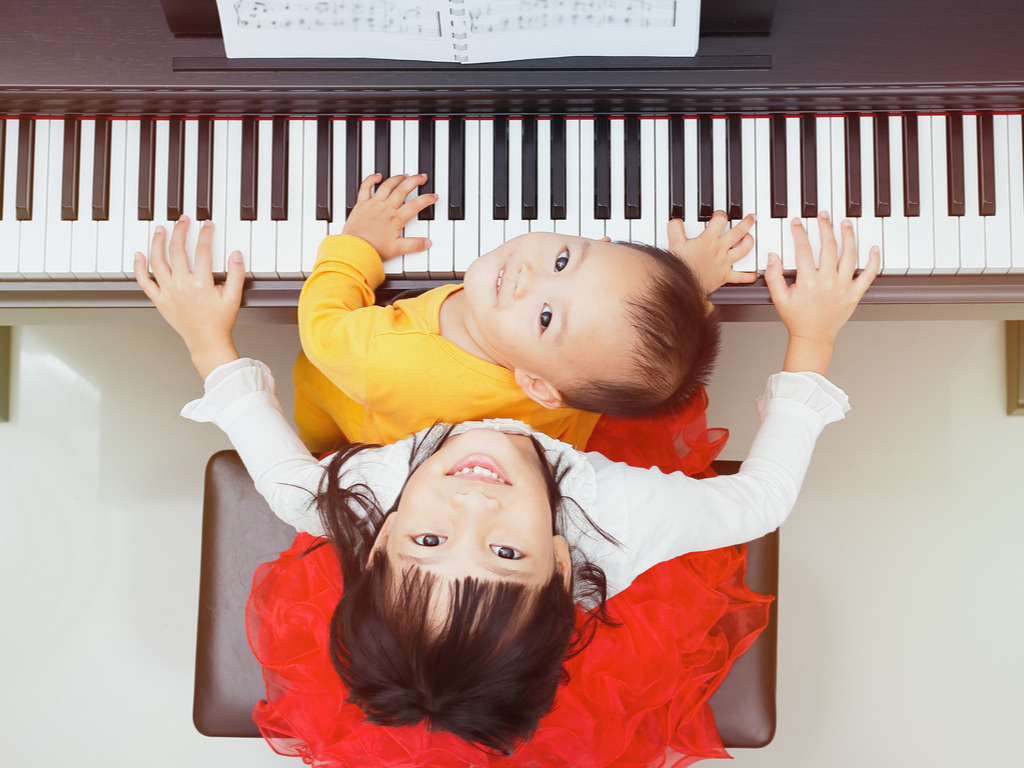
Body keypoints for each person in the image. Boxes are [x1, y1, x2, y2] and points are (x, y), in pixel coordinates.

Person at [135, 211, 878, 765]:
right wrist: (811, 336)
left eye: (429, 542)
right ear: (562, 563)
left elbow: (289, 480)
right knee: (642, 372)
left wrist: (206, 338)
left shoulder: (363, 492)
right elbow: (760, 503)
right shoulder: (620, 516)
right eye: (505, 552)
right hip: (574, 478)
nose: (473, 502)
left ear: (380, 537)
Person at [293, 173, 758, 453]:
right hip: (535, 422)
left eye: (545, 318)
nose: (525, 277)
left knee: (322, 428)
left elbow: (322, 331)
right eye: (562, 262)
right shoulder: (562, 372)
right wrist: (690, 279)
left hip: (357, 405)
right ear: (603, 240)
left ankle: (323, 446)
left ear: (538, 386)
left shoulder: (382, 358)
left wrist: (357, 245)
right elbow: (627, 320)